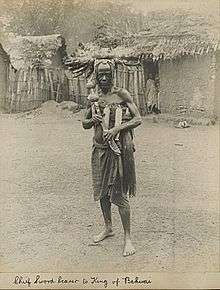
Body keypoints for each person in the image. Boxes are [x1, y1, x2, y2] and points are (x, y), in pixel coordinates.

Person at [82, 60, 141, 257]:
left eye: (107, 73)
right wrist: (93, 119)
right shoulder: (94, 97)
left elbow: (138, 119)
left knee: (118, 194)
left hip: (116, 152)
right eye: (101, 75)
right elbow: (84, 123)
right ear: (97, 77)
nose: (104, 77)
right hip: (98, 151)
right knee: (102, 192)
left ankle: (128, 238)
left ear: (113, 74)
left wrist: (117, 128)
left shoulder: (121, 94)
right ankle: (108, 227)